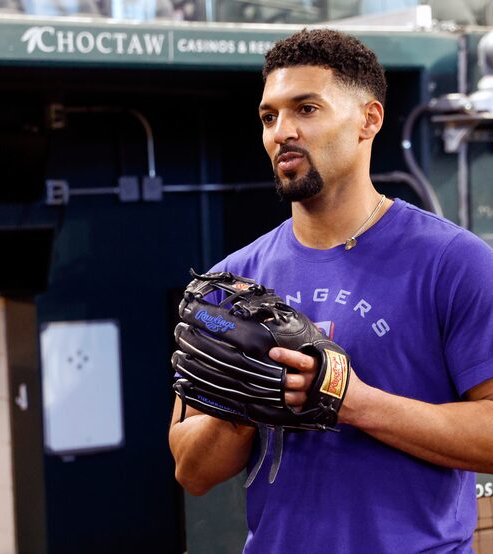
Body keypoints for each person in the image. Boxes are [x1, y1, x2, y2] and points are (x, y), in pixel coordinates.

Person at [169, 28, 493, 553]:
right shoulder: (231, 282)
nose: (282, 132)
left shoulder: (454, 263)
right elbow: (192, 471)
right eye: (269, 117)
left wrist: (354, 403)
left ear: (369, 119)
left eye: (307, 109)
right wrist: (244, 405)